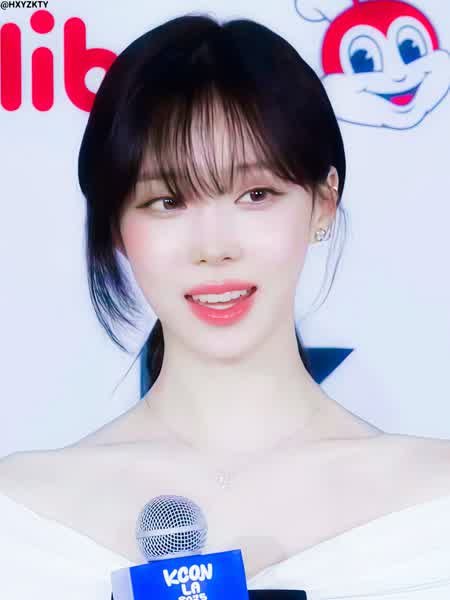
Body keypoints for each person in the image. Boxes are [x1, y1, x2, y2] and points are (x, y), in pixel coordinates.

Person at [1, 13, 450, 600]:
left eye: (256, 194)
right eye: (168, 201)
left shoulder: (432, 506)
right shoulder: (23, 522)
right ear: (116, 227)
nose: (214, 248)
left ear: (322, 203)